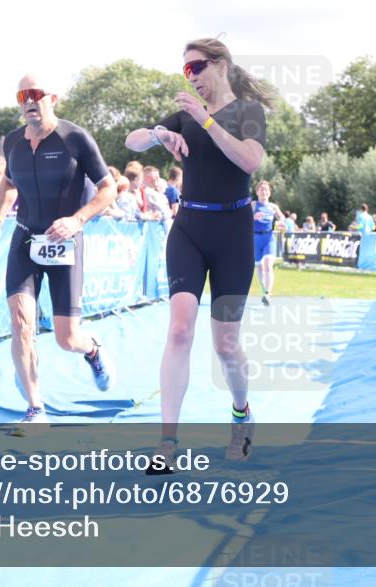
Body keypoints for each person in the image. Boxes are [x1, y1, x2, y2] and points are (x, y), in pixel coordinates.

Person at [125, 37, 271, 468]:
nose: (190, 77)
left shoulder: (247, 112)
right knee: (180, 330)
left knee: (226, 346)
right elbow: (132, 141)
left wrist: (205, 122)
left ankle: (241, 415)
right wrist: (159, 133)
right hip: (189, 227)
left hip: (233, 232)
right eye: (185, 70)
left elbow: (249, 161)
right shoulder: (186, 113)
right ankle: (167, 442)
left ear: (221, 65)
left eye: (197, 68)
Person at [0, 74, 117, 427]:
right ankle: (36, 408)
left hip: (65, 243)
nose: (29, 101)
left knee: (66, 337)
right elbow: (8, 185)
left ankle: (92, 349)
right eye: (23, 95)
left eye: (36, 94)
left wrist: (78, 220)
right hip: (26, 239)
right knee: (21, 323)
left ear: (52, 98)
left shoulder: (75, 138)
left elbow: (109, 189)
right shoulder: (12, 141)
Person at [252, 180, 285, 306]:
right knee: (260, 266)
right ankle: (264, 290)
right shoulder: (254, 205)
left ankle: (268, 293)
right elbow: (243, 218)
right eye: (261, 189)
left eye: (266, 189)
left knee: (268, 264)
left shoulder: (273, 207)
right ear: (257, 192)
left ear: (269, 193)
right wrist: (253, 217)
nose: (264, 191)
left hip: (269, 238)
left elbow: (281, 217)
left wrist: (281, 221)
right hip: (255, 239)